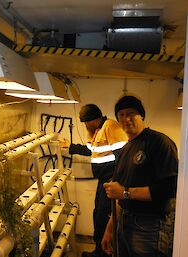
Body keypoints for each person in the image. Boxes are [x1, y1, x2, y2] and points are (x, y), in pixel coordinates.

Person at [102, 95, 178, 257]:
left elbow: (168, 189)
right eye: (121, 115)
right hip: (124, 222)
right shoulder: (125, 149)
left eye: (131, 113)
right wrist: (109, 230)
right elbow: (118, 196)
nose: (126, 118)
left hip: (150, 226)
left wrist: (124, 192)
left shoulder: (159, 142)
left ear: (141, 115)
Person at [66, 104, 128, 257]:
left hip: (111, 181)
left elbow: (122, 155)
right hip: (103, 182)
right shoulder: (97, 131)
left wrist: (117, 180)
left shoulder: (110, 127)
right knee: (98, 215)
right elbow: (91, 151)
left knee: (105, 217)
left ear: (93, 119)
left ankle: (105, 253)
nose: (85, 126)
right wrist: (71, 147)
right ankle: (99, 251)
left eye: (85, 122)